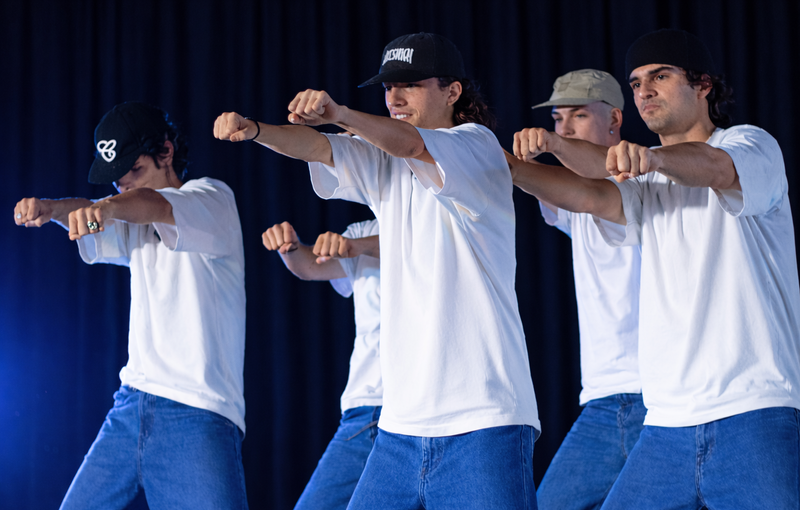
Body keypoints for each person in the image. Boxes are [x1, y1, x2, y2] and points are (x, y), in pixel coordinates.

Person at [215, 32, 539, 510]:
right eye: (388, 87)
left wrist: (342, 113)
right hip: (399, 431)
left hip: (483, 420)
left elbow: (412, 146)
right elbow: (319, 148)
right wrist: (257, 130)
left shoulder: (476, 144)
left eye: (410, 84)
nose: (395, 97)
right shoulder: (382, 160)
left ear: (453, 92)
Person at [509, 29, 800, 508]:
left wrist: (652, 158)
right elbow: (586, 193)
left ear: (703, 85)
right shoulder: (647, 186)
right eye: (637, 80)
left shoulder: (750, 144)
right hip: (666, 427)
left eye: (660, 76)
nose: (644, 89)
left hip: (753, 411)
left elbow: (717, 168)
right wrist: (512, 164)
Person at [14, 102, 249, 510]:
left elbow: (155, 206)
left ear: (166, 152)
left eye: (134, 173)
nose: (125, 187)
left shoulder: (212, 198)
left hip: (196, 415)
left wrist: (105, 207)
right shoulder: (128, 219)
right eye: (117, 182)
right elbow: (98, 215)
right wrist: (52, 210)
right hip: (129, 408)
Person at [526, 70, 645, 509]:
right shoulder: (572, 200)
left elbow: (598, 184)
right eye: (558, 119)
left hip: (661, 395)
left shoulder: (647, 177)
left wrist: (553, 148)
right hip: (601, 400)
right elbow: (552, 190)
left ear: (615, 118)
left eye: (578, 115)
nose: (564, 129)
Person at [262, 219, 381, 510]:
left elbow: (416, 239)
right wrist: (290, 250)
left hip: (435, 409)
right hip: (369, 408)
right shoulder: (362, 229)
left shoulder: (443, 211)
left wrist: (357, 247)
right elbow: (310, 266)